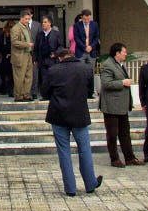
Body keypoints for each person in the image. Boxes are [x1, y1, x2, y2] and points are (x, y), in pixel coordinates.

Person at [42, 48, 103, 197]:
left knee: (64, 152)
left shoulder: (53, 70)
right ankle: (90, 183)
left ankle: (70, 188)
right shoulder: (86, 68)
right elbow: (89, 91)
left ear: (60, 58)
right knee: (84, 149)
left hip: (58, 114)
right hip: (79, 113)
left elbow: (45, 92)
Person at [99, 42, 144, 167]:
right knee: (112, 134)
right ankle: (114, 159)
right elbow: (106, 83)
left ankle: (130, 157)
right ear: (117, 53)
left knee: (125, 132)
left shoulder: (119, 64)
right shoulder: (108, 65)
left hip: (122, 106)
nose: (126, 54)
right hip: (111, 106)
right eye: (124, 51)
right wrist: (123, 82)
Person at [33, 15, 62, 99]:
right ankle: (45, 95)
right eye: (43, 22)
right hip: (42, 59)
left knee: (53, 77)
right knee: (44, 78)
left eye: (45, 22)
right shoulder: (39, 35)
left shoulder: (56, 34)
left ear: (50, 23)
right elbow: (36, 48)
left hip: (52, 59)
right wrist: (35, 59)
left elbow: (60, 46)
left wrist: (55, 54)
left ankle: (54, 94)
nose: (43, 24)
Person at [10, 8, 35, 101]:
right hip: (19, 56)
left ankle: (26, 94)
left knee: (29, 76)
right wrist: (27, 44)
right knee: (19, 77)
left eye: (29, 19)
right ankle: (18, 95)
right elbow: (14, 42)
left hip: (28, 54)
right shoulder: (16, 28)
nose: (27, 21)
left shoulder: (27, 27)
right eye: (26, 19)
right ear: (21, 18)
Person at [72, 9, 99, 98]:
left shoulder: (94, 24)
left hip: (91, 51)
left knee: (90, 72)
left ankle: (90, 92)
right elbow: (76, 38)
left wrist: (91, 46)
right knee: (80, 72)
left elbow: (96, 37)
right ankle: (80, 92)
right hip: (81, 51)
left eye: (88, 19)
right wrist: (84, 47)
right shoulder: (77, 25)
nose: (87, 21)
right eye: (85, 19)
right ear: (82, 17)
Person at [26, 13, 42, 98]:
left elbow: (40, 38)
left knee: (35, 73)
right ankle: (26, 92)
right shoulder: (22, 24)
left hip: (35, 52)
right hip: (24, 52)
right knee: (25, 73)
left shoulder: (38, 25)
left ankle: (34, 92)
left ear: (32, 15)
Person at [0, 22, 14, 96]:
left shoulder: (3, 35)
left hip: (5, 57)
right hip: (11, 57)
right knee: (11, 75)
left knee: (5, 75)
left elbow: (0, 47)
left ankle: (4, 89)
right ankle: (10, 91)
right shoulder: (12, 35)